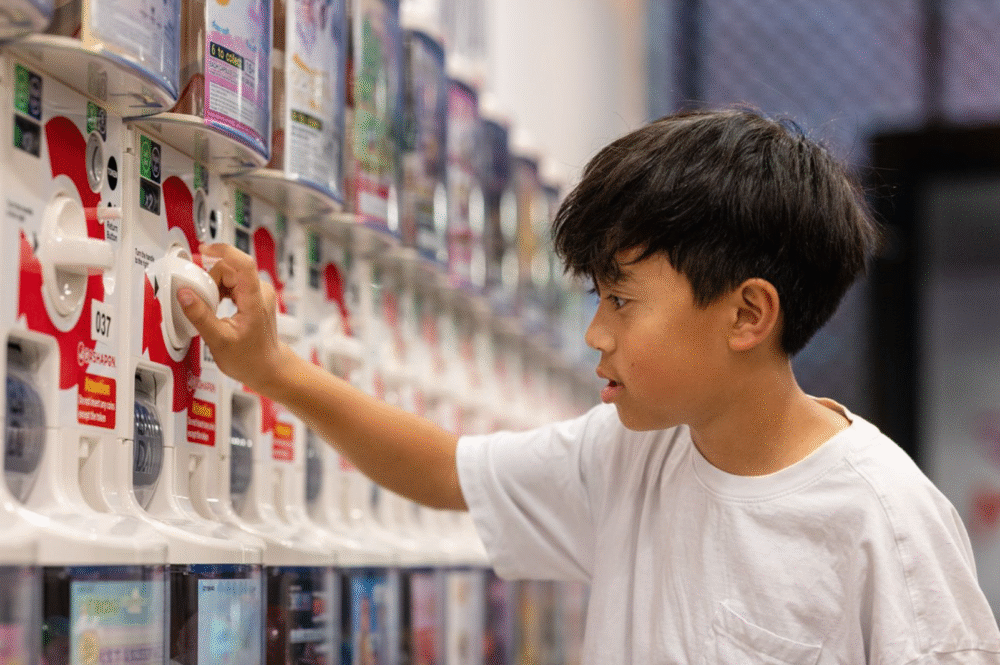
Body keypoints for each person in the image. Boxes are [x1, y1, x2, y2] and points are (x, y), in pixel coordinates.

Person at [178, 108, 1000, 663]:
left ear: (748, 312)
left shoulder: (881, 518)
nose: (595, 333)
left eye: (621, 299)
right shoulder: (632, 451)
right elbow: (441, 469)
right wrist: (274, 369)